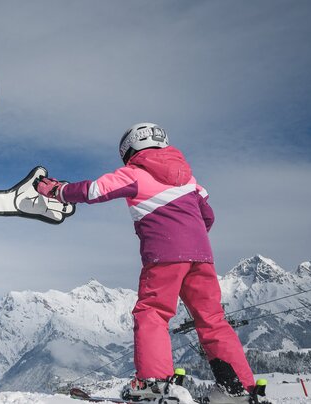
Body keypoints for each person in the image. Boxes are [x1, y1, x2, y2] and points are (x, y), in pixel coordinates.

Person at [36, 123, 271, 404]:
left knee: (153, 312)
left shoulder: (135, 173)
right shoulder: (190, 180)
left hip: (164, 255)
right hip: (202, 257)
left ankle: (154, 383)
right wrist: (190, 240)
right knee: (212, 320)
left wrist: (57, 190)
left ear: (129, 149)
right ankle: (238, 389)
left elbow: (94, 190)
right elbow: (208, 217)